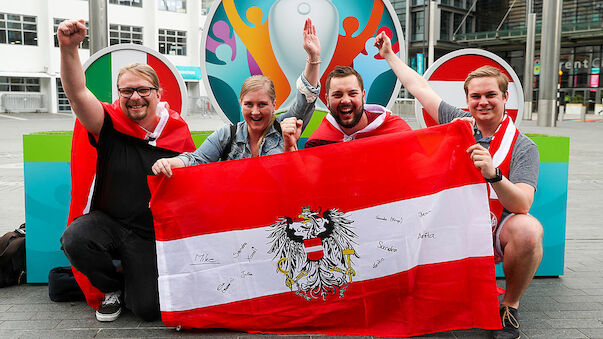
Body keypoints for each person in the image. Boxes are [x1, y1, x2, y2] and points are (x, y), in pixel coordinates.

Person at [374, 32, 542, 339]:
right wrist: (389, 55)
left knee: (529, 230)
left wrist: (493, 174)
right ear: (467, 100)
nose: (483, 102)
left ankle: (510, 306)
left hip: (494, 228)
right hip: (453, 223)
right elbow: (420, 88)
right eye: (475, 96)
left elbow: (522, 205)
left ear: (506, 98)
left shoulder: (523, 146)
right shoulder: (459, 123)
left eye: (491, 95)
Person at [57, 19, 196, 322]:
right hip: (109, 223)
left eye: (143, 90)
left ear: (158, 93)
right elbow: (78, 93)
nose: (135, 97)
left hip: (148, 235)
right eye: (127, 91)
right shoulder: (107, 124)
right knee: (75, 238)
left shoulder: (178, 133)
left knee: (148, 310)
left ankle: (134, 283)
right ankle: (111, 288)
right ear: (119, 94)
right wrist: (69, 49)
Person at [152, 18, 321, 176]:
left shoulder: (285, 126)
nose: (255, 112)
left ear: (274, 104)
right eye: (249, 104)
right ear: (241, 104)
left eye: (262, 104)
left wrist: (313, 58)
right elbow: (197, 160)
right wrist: (170, 162)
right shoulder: (226, 135)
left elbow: (306, 96)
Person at [304, 65, 412, 148]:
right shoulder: (318, 142)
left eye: (352, 94)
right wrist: (290, 148)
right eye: (337, 95)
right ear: (327, 100)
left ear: (363, 96)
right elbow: (308, 176)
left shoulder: (397, 131)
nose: (345, 100)